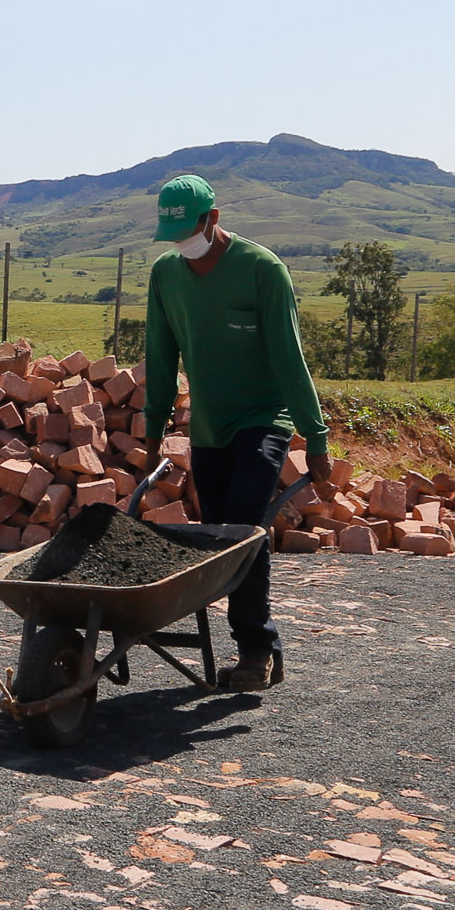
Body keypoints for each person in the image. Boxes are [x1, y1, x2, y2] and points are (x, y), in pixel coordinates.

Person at [137, 173, 332, 694]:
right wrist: (152, 433)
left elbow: (289, 358)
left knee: (244, 529)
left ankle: (256, 649)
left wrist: (315, 438)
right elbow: (161, 356)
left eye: (189, 232)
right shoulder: (166, 275)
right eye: (174, 236)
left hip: (264, 418)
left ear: (213, 219)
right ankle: (253, 646)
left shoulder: (262, 270)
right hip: (209, 425)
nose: (183, 245)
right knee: (219, 537)